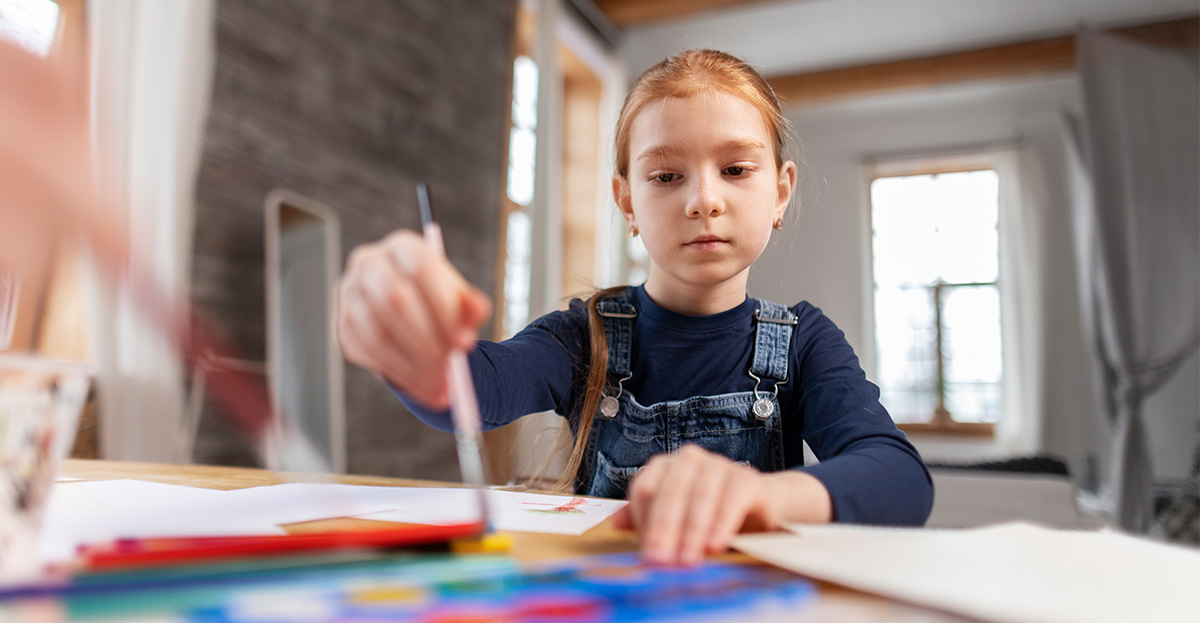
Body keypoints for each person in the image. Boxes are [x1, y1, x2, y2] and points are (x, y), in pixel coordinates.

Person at [336, 49, 933, 565]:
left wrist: (763, 499)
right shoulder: (583, 335)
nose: (704, 200)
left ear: (779, 191)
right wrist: (411, 346)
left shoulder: (805, 341)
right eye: (667, 175)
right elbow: (475, 390)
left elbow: (898, 476)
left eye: (734, 169)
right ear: (627, 201)